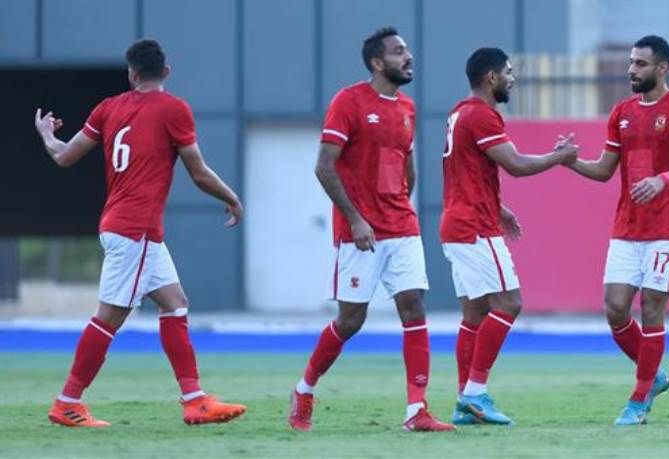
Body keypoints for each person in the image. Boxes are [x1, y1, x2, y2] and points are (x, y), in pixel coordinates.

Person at [35, 39, 247, 427]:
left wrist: (47, 134)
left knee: (174, 302)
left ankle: (194, 399)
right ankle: (67, 402)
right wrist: (232, 198)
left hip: (125, 226)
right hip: (136, 230)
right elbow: (198, 172)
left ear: (131, 74)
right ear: (166, 71)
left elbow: (64, 156)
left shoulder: (108, 107)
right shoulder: (174, 108)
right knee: (109, 318)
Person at [287, 27, 454, 433]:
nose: (408, 57)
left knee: (414, 307)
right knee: (350, 321)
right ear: (378, 63)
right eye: (398, 52)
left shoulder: (408, 108)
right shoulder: (348, 102)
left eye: (407, 50)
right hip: (359, 234)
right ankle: (304, 389)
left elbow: (407, 167)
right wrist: (357, 218)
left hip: (402, 228)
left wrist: (399, 207)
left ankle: (416, 410)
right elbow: (324, 166)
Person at [563, 35, 669, 425]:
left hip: (667, 228)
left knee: (652, 308)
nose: (631, 70)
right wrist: (570, 161)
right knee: (615, 308)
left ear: (662, 68)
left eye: (640, 64)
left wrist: (662, 180)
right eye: (630, 62)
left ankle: (639, 400)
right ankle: (654, 374)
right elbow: (604, 170)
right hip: (627, 227)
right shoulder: (621, 112)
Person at [440, 47, 579, 425]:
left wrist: (498, 207)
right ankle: (475, 393)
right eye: (509, 71)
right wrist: (559, 157)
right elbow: (516, 165)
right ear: (491, 77)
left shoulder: (459, 112)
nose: (513, 79)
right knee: (509, 303)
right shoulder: (482, 115)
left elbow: (463, 172)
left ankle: (464, 403)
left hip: (457, 222)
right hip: (474, 227)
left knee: (474, 314)